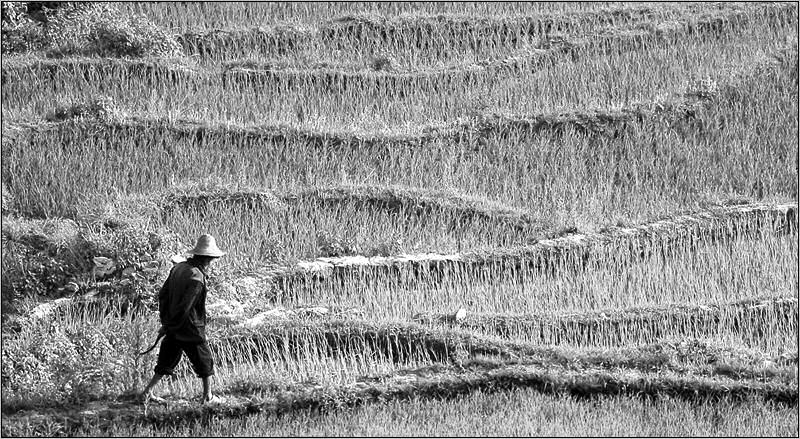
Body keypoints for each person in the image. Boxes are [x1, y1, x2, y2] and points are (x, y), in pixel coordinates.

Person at [139, 234, 226, 404]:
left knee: (166, 360)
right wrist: (171, 324)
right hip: (189, 328)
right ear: (207, 259)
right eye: (212, 260)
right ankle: (207, 396)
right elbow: (185, 308)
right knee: (205, 361)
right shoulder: (197, 278)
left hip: (174, 326)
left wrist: (166, 323)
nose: (211, 264)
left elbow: (162, 295)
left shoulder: (178, 268)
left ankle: (146, 393)